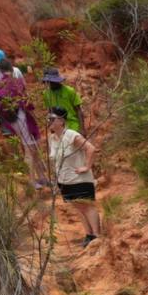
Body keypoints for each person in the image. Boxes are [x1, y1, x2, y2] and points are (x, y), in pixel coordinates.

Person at [47, 106, 100, 247]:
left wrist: (87, 166)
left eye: (52, 119)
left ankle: (96, 236)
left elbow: (90, 148)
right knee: (78, 208)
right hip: (65, 180)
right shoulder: (53, 138)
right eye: (48, 119)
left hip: (79, 179)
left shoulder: (71, 135)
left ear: (61, 120)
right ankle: (88, 234)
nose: (49, 122)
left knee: (87, 206)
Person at [0, 58, 47, 186]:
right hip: (23, 118)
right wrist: (33, 112)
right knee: (30, 149)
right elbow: (26, 99)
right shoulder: (17, 82)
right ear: (11, 68)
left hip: (12, 121)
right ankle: (33, 180)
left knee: (30, 148)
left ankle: (41, 177)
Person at [40, 68, 85, 134]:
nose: (51, 84)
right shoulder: (46, 94)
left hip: (72, 125)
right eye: (49, 82)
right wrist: (51, 125)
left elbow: (78, 110)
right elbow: (50, 111)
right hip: (58, 127)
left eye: (53, 81)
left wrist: (82, 129)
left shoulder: (70, 91)